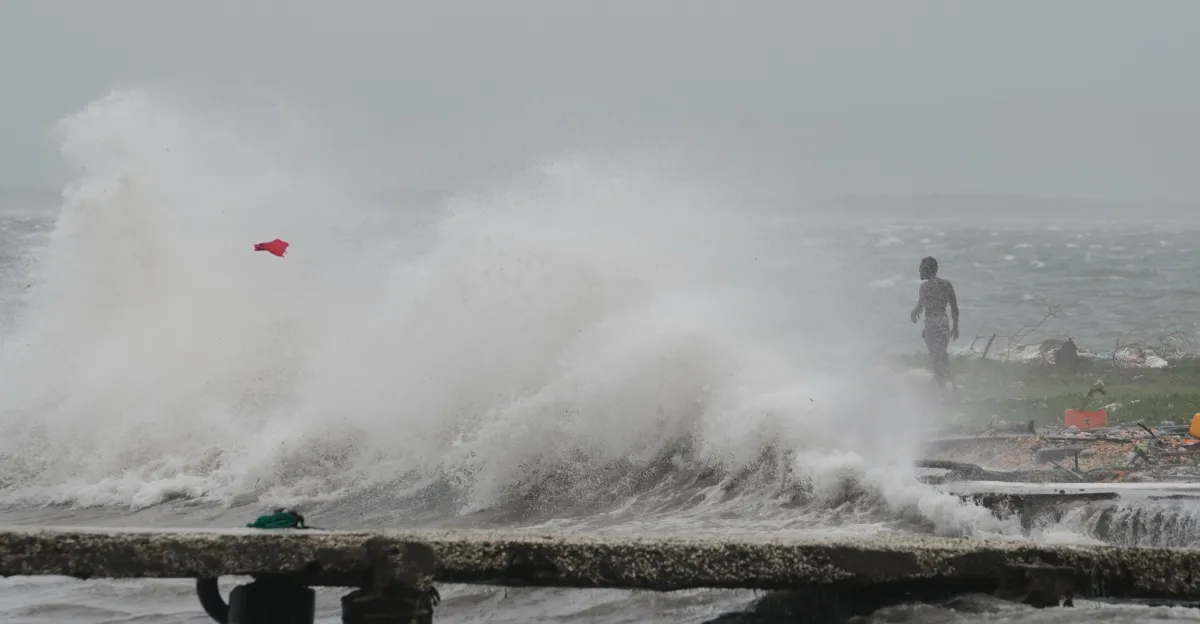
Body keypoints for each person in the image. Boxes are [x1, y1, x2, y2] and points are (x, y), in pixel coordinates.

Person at [910, 256, 959, 393]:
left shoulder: (925, 287)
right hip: (943, 322)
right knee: (942, 356)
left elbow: (920, 307)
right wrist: (955, 327)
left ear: (925, 269)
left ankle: (943, 391)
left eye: (921, 268)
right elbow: (954, 308)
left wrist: (913, 314)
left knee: (935, 359)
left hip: (931, 324)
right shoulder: (946, 284)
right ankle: (953, 387)